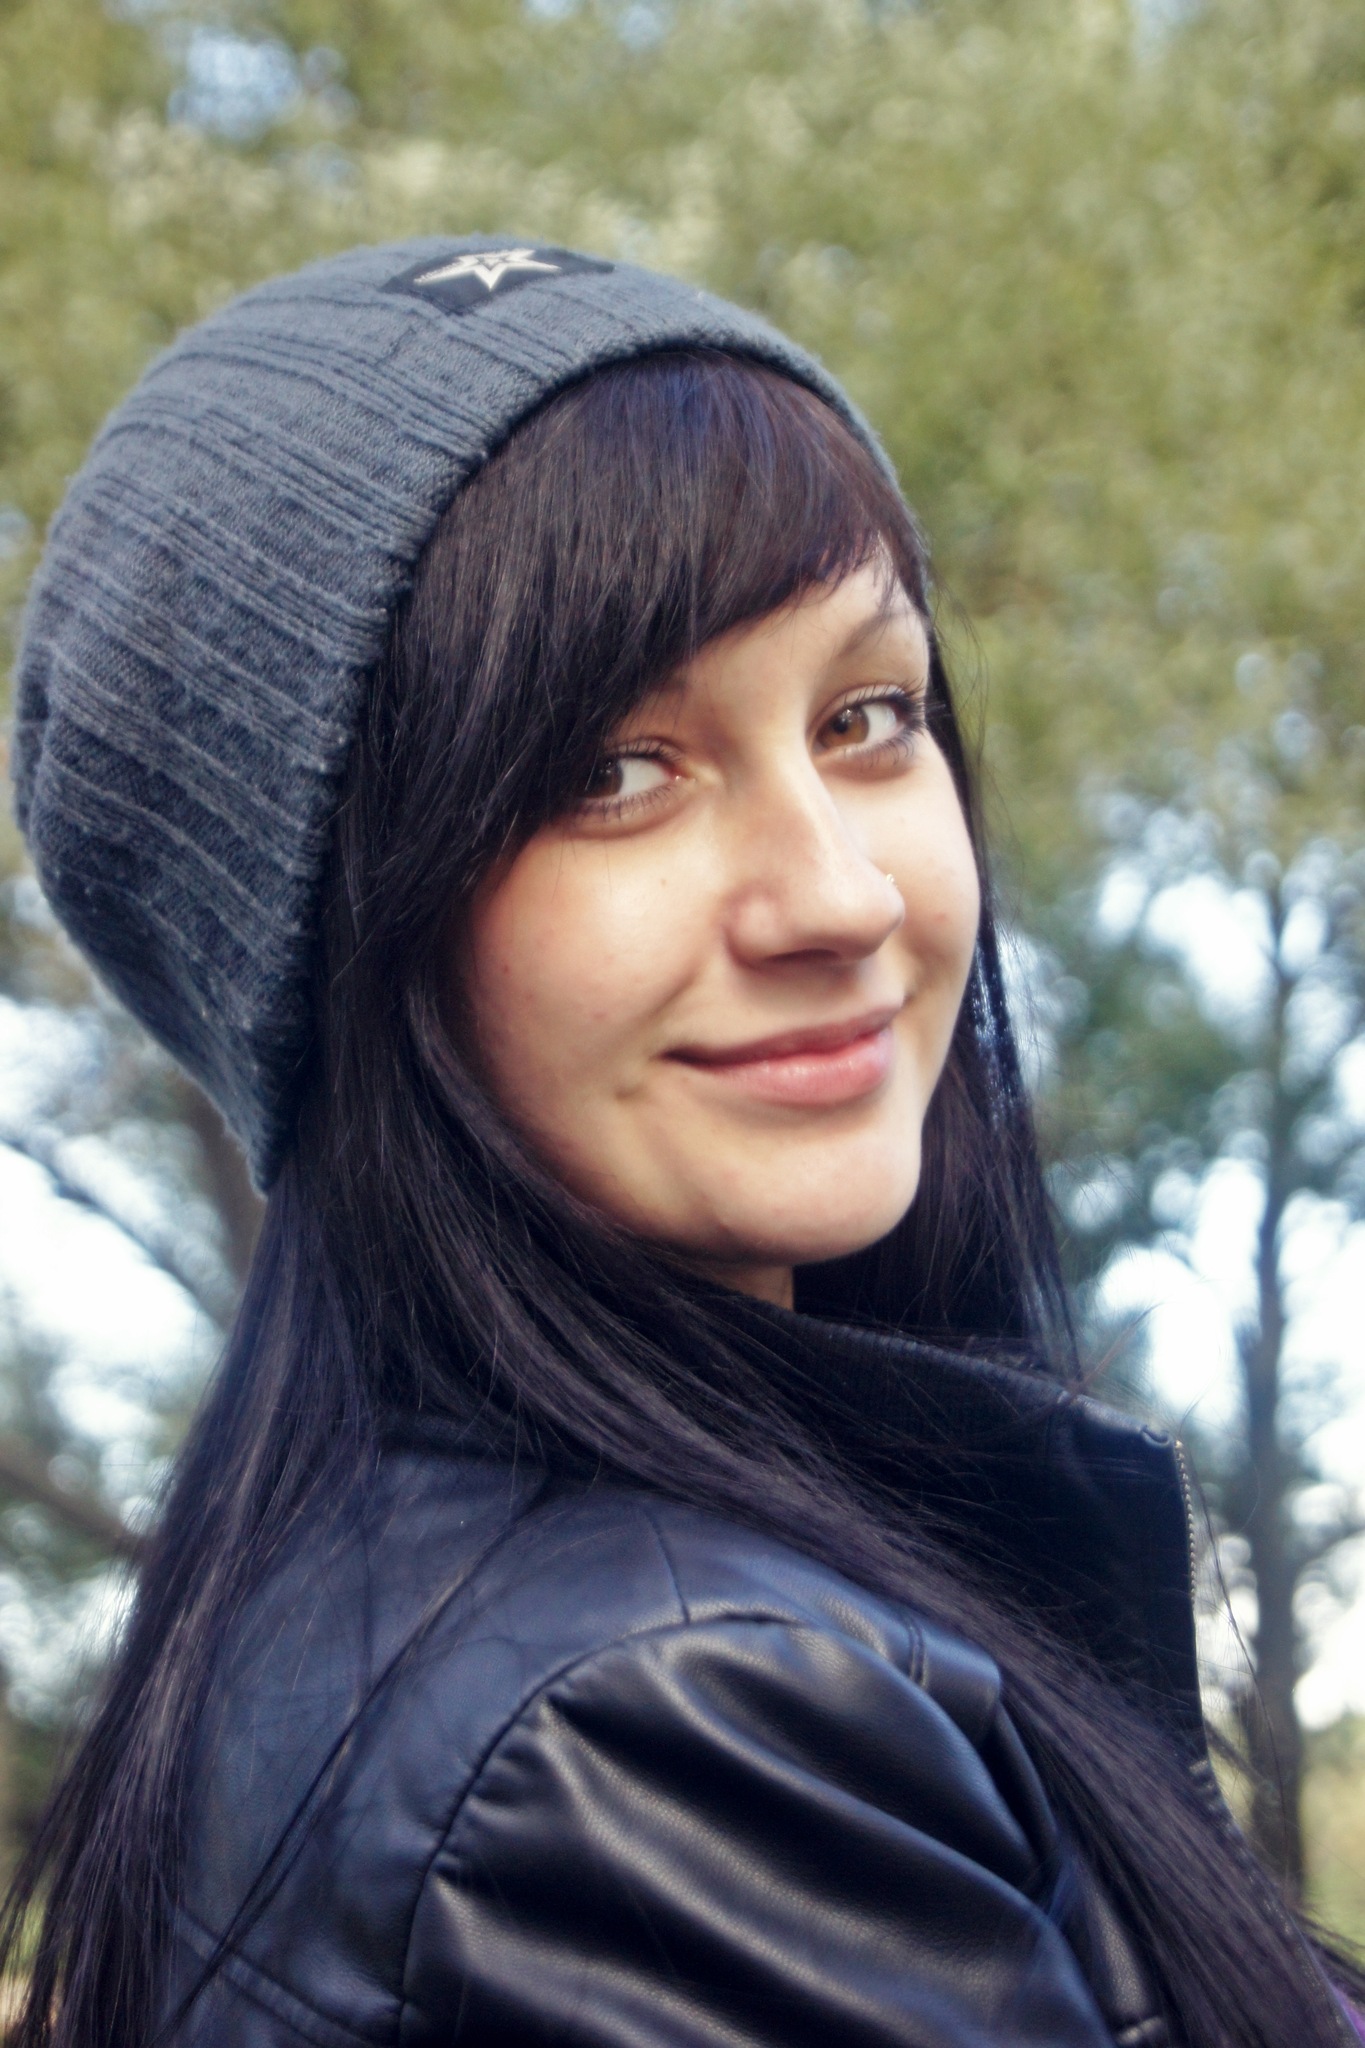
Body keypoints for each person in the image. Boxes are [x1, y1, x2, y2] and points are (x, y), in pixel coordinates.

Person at [4, 237, 1360, 2048]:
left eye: (866, 719)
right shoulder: (660, 1735)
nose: (840, 894)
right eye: (611, 773)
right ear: (329, 944)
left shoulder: (374, 1620)